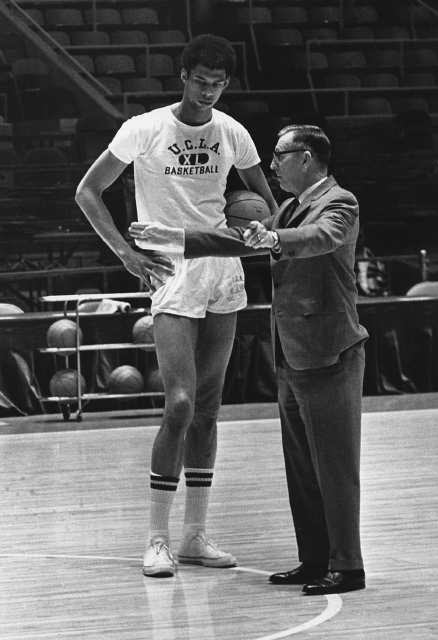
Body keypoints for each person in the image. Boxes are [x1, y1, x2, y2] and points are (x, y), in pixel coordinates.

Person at [129, 124, 369, 595]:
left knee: (336, 467)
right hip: (292, 352)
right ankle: (314, 559)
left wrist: (275, 239)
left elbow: (319, 237)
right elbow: (239, 241)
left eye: (279, 155)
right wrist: (176, 238)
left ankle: (348, 566)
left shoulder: (340, 203)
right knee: (302, 469)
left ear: (306, 157)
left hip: (330, 351)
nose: (271, 165)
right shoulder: (288, 208)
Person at [75, 33, 277, 578]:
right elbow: (87, 191)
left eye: (218, 84)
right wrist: (125, 254)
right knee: (180, 405)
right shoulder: (143, 128)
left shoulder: (232, 132)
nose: (208, 91)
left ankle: (194, 535)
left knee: (208, 408)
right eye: (201, 81)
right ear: (183, 76)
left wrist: (257, 229)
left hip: (223, 270)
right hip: (171, 270)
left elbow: (269, 206)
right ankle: (156, 538)